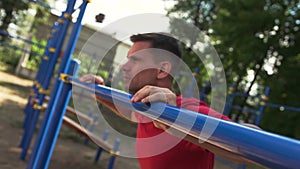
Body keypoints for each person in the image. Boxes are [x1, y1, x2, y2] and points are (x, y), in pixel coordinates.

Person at [80, 32, 232, 169]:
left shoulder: (186, 110)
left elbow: (251, 140)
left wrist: (174, 121)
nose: (125, 67)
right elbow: (131, 112)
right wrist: (99, 92)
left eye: (135, 60)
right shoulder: (149, 107)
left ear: (162, 70)